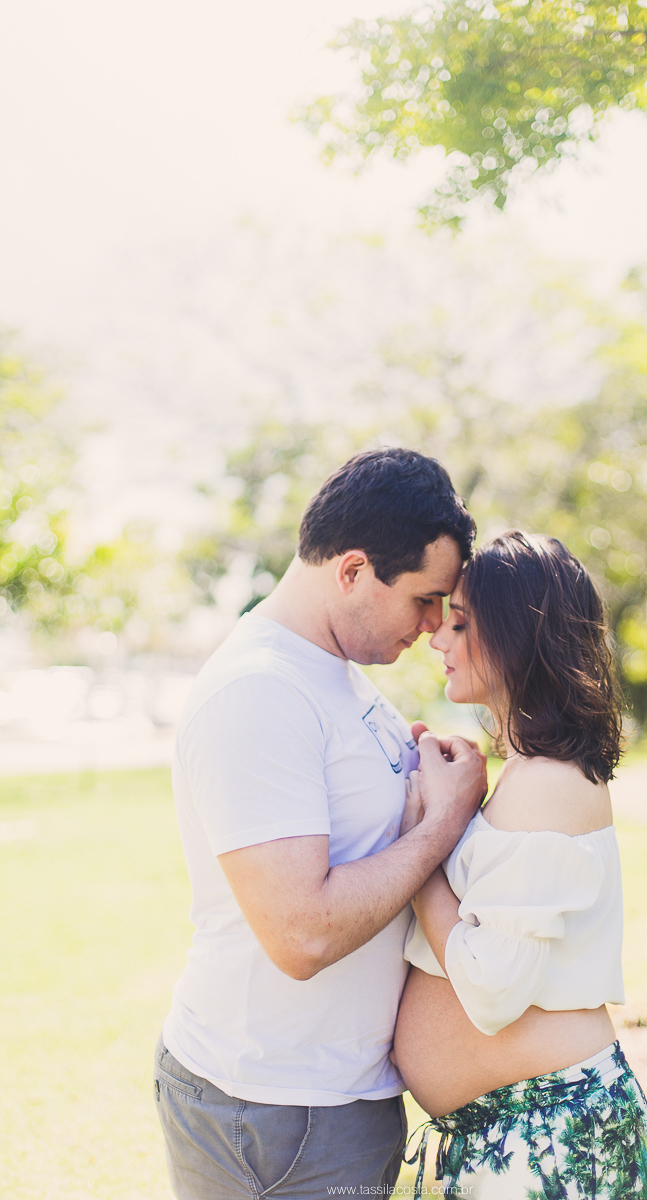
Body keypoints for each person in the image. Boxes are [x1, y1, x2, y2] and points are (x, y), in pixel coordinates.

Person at [154, 448, 488, 1200]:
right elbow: (301, 934)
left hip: (332, 1097)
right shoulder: (259, 693)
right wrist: (441, 824)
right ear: (352, 571)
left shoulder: (334, 672)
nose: (436, 625)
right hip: (273, 1110)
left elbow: (368, 835)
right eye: (424, 599)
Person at [394, 531, 647, 1199]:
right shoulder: (530, 771)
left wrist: (421, 845)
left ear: (515, 635)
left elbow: (492, 990)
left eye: (459, 624)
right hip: (523, 1131)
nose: (437, 640)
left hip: (551, 1133)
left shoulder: (550, 780)